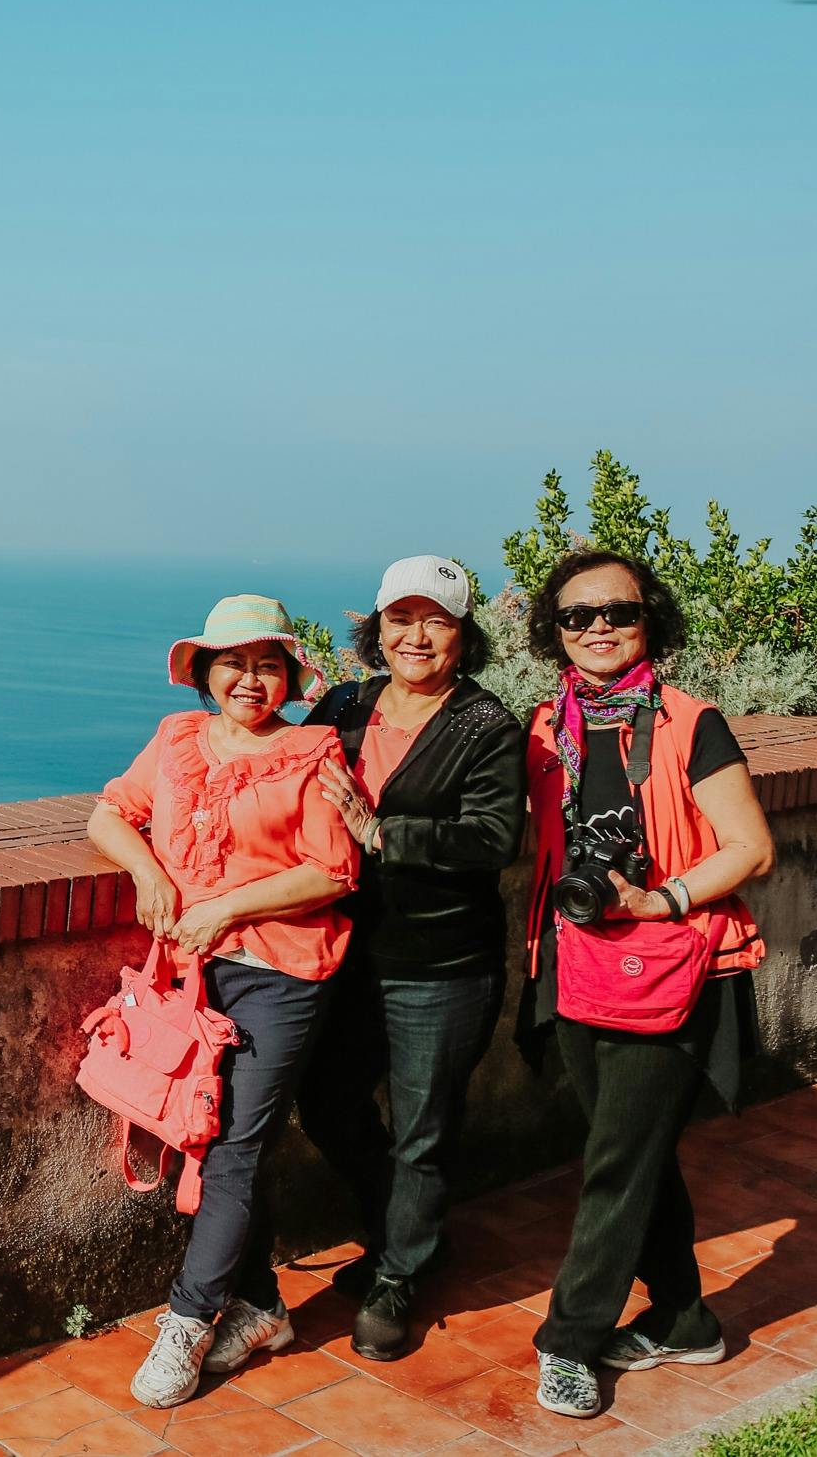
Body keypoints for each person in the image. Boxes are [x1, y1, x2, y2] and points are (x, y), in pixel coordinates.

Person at [85, 594, 362, 1410]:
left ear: (288, 676)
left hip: (280, 972)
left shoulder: (312, 750)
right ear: (205, 671)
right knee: (200, 1137)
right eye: (234, 661)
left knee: (233, 1146)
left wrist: (228, 908)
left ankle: (187, 1317)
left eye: (268, 663)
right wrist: (150, 873)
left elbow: (335, 869)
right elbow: (110, 813)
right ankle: (265, 1307)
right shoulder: (175, 740)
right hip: (185, 974)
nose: (251, 677)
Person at [516, 551, 774, 1420]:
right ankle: (687, 1318)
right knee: (635, 1150)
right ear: (553, 629)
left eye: (618, 612)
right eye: (577, 614)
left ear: (648, 620)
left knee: (616, 1158)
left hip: (671, 964)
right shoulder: (545, 726)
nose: (597, 627)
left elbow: (750, 846)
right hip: (575, 963)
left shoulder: (692, 722)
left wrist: (659, 896)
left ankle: (570, 1340)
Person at [277, 555, 527, 1362]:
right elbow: (282, 779)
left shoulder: (485, 725)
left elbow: (495, 838)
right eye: (400, 618)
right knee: (326, 1100)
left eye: (437, 621)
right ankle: (402, 1238)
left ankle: (397, 1276)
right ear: (376, 628)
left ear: (463, 635)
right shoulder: (344, 704)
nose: (415, 636)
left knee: (424, 1127)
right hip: (344, 951)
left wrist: (384, 834)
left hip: (440, 961)